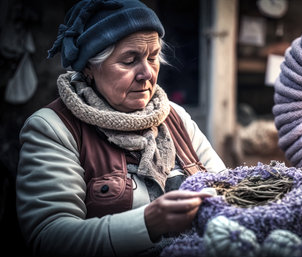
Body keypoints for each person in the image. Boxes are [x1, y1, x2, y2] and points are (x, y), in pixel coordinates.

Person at [15, 0, 226, 256]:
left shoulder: (175, 117)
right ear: (90, 68)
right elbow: (50, 237)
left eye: (153, 57)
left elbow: (226, 189)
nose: (147, 73)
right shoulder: (53, 128)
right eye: (129, 61)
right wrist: (147, 223)